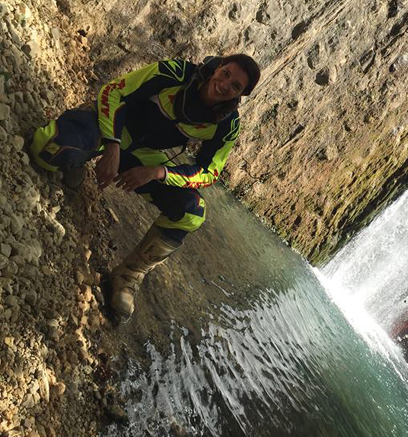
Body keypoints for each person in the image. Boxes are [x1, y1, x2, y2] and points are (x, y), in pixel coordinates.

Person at [29, 54, 260, 323]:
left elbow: (208, 172)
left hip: (145, 156)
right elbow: (114, 92)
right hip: (110, 127)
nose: (225, 85)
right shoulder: (177, 73)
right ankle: (77, 160)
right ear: (218, 67)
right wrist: (113, 145)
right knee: (46, 149)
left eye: (236, 86)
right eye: (226, 74)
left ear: (241, 95)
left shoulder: (227, 124)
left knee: (193, 212)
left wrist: (158, 172)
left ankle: (127, 277)